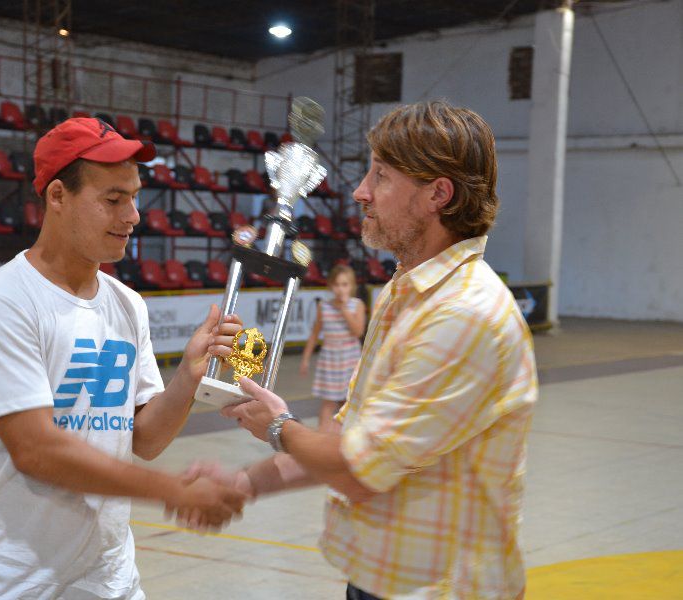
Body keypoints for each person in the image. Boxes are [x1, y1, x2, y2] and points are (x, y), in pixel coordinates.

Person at [192, 101, 538, 600]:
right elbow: (354, 441)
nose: (361, 192)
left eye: (382, 176)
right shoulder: (408, 292)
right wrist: (245, 483)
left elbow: (357, 470)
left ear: (438, 194)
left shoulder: (462, 315)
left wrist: (277, 426)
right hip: (387, 579)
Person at [0, 117, 248, 600]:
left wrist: (187, 375)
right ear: (57, 197)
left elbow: (143, 438)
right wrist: (173, 491)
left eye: (135, 197)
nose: (133, 216)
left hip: (107, 576)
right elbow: (37, 451)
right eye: (113, 200)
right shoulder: (2, 301)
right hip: (5, 579)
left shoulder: (126, 304)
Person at [300, 264, 366, 431]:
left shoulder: (357, 305)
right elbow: (315, 333)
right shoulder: (324, 306)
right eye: (337, 285)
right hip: (330, 357)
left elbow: (358, 331)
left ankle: (345, 438)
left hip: (350, 356)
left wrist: (344, 309)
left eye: (345, 284)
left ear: (351, 286)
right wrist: (306, 359)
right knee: (328, 401)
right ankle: (321, 439)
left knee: (348, 400)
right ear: (330, 286)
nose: (340, 289)